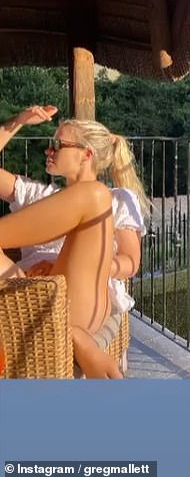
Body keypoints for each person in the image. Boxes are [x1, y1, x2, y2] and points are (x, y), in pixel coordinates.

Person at [0, 106, 148, 378]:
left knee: (94, 196)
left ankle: (73, 331)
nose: (49, 150)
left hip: (77, 299)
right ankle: (76, 338)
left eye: (58, 144)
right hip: (25, 298)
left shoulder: (113, 199)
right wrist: (18, 121)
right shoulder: (36, 194)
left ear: (86, 154)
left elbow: (131, 261)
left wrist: (92, 263)